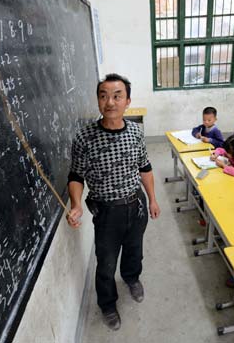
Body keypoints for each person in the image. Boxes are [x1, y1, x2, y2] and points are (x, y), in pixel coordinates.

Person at [66, 73, 160, 331]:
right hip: (106, 211)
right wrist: (75, 204)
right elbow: (75, 176)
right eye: (103, 96)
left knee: (134, 249)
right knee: (106, 261)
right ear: (98, 101)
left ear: (127, 101)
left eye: (117, 96)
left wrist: (152, 199)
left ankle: (132, 278)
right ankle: (107, 304)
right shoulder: (84, 138)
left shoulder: (135, 133)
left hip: (136, 204)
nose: (110, 102)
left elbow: (145, 167)